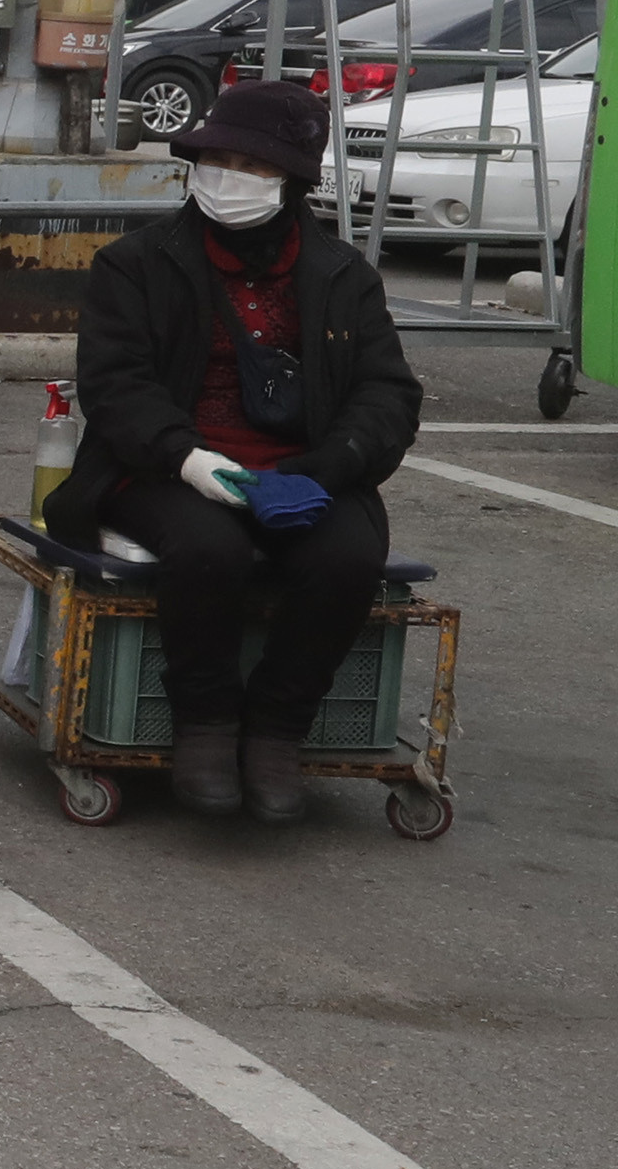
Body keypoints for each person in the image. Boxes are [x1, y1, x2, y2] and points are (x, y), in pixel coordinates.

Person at [44, 79, 421, 823]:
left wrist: (327, 468)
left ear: (292, 180)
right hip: (159, 468)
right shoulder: (136, 265)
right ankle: (207, 722)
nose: (225, 177)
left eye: (248, 166)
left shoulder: (346, 277)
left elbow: (387, 396)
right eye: (213, 158)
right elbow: (116, 387)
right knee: (208, 546)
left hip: (299, 472)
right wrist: (193, 461)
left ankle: (279, 726)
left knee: (346, 555)